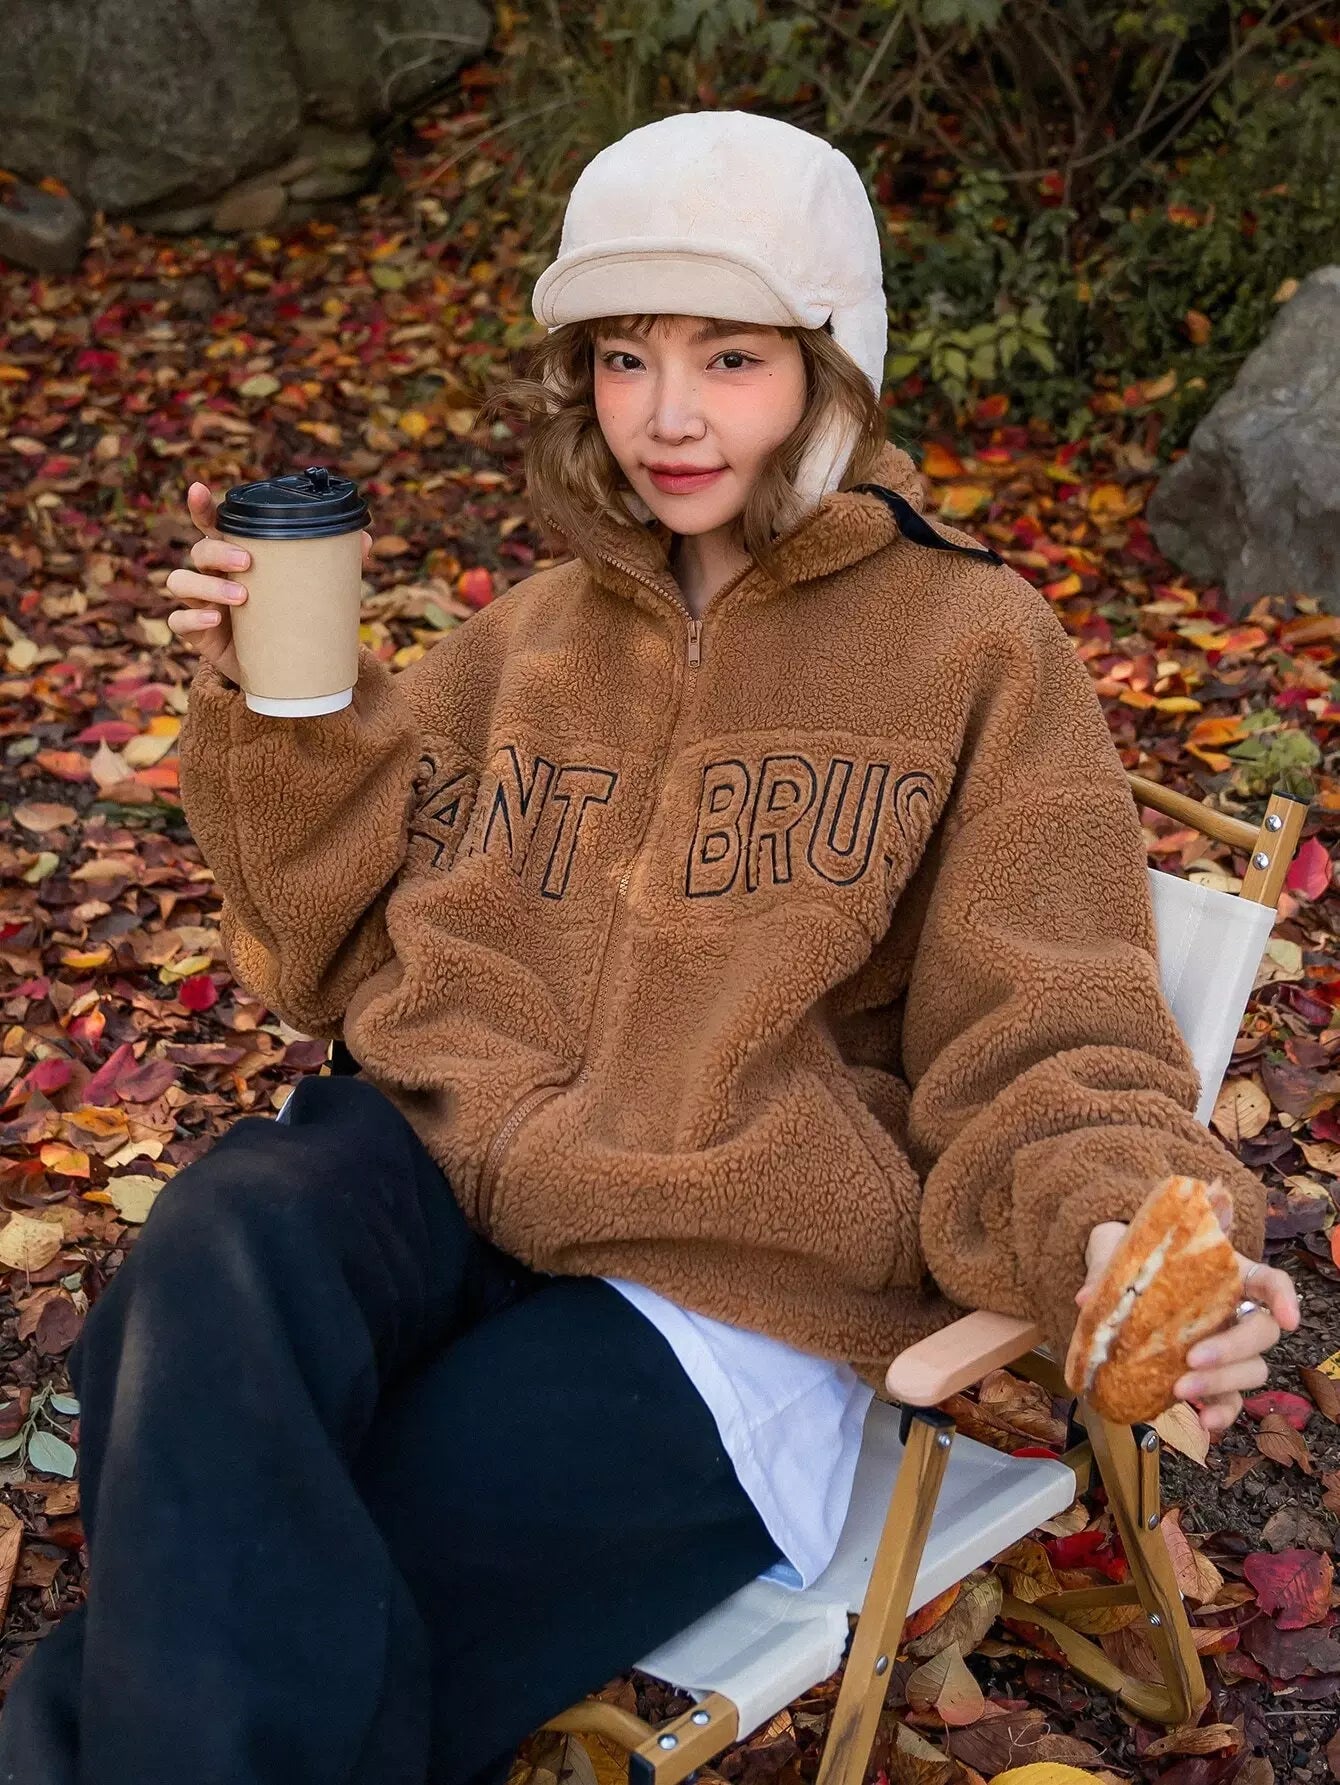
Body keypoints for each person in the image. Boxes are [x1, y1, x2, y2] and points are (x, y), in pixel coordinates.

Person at [0, 109, 1297, 1785]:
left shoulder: (974, 649)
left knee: (281, 1555)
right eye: (626, 356)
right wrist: (280, 714)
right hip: (444, 1175)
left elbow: (1052, 1029)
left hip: (719, 1283)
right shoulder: (538, 632)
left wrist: (1113, 1227)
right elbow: (326, 944)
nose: (667, 414)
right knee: (213, 1247)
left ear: (832, 366)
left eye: (730, 357)